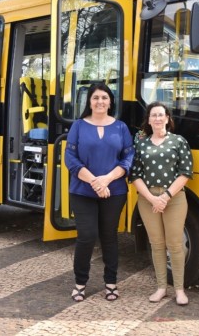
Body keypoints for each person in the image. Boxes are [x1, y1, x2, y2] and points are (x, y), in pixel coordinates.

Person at [64, 83, 134, 302]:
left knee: (109, 237)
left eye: (104, 97)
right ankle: (80, 283)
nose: (100, 101)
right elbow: (70, 158)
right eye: (95, 98)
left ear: (110, 101)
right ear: (89, 102)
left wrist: (107, 180)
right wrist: (95, 181)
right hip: (82, 191)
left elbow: (128, 158)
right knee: (86, 236)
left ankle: (111, 283)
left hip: (114, 191)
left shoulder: (121, 127)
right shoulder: (78, 126)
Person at [130, 102, 194, 306]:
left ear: (167, 118)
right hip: (148, 199)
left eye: (161, 115)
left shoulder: (179, 141)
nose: (157, 118)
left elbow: (185, 172)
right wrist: (152, 198)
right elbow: (135, 175)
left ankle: (179, 290)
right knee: (156, 244)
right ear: (148, 120)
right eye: (153, 115)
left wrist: (165, 197)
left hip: (174, 199)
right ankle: (161, 288)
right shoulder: (141, 144)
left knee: (175, 245)